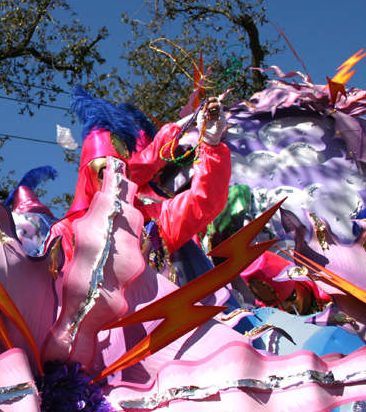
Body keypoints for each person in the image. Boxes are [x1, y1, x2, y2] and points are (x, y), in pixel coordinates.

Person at [45, 88, 231, 283]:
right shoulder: (65, 231)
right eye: (103, 172)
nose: (114, 180)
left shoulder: (151, 221)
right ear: (87, 177)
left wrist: (210, 142)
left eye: (122, 173)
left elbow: (204, 200)